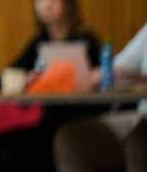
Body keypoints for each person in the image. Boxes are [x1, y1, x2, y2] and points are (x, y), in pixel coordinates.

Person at [0, 0, 103, 172]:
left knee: (9, 156)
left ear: (68, 2)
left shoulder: (87, 41)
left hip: (79, 126)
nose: (47, 5)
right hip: (47, 128)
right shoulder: (39, 43)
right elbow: (12, 74)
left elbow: (104, 86)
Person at [53, 20, 147, 172]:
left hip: (142, 127)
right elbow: (116, 69)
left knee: (141, 136)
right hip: (140, 114)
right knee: (71, 138)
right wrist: (87, 77)